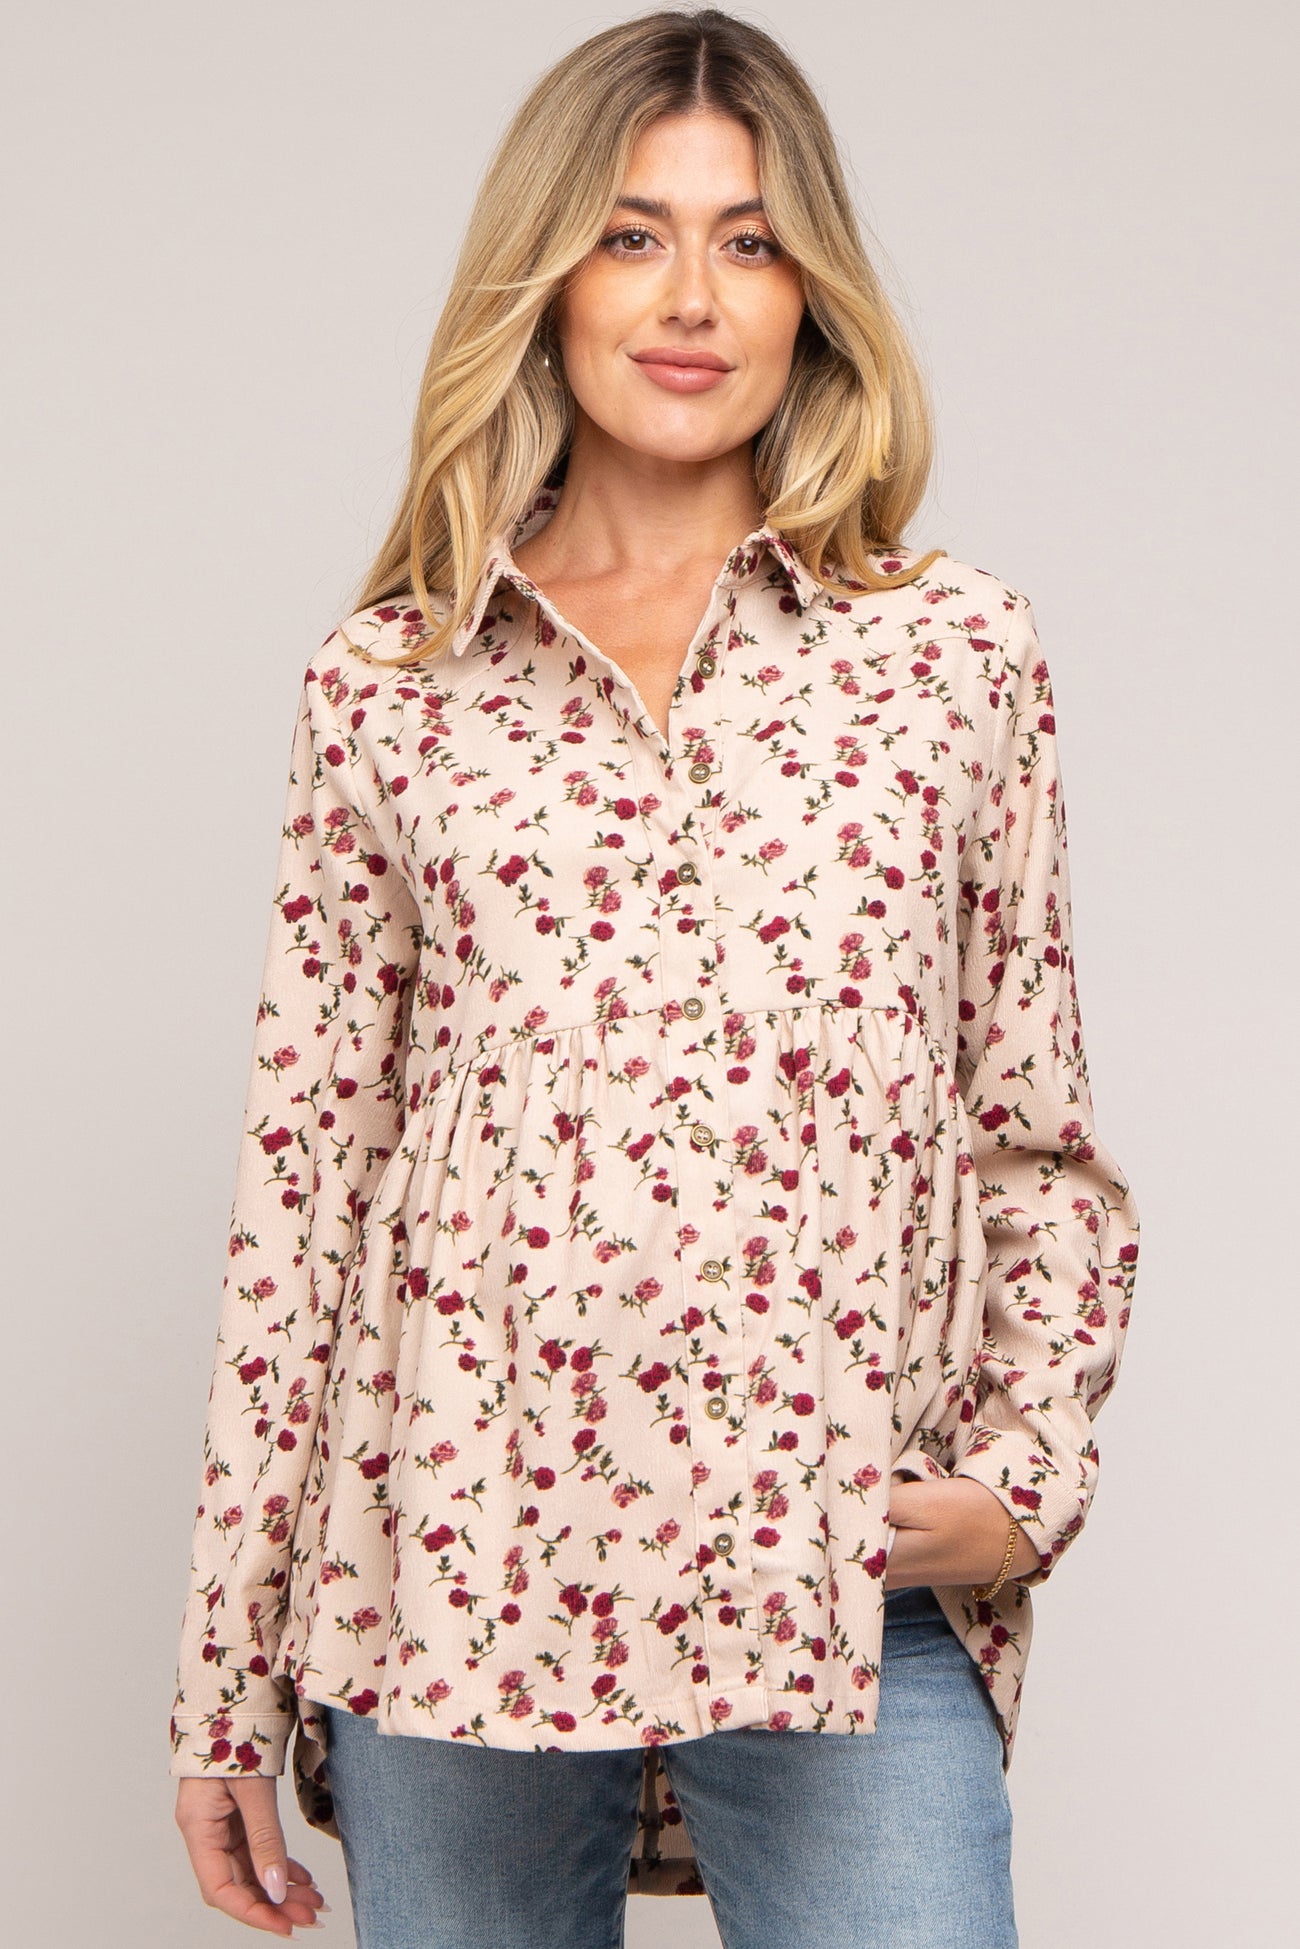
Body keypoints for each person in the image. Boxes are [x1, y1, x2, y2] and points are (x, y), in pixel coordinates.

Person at [169, 8, 1140, 1945]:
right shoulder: (396, 683)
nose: (691, 296)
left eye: (748, 241)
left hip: (835, 1574)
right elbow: (304, 1197)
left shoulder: (950, 656)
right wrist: (221, 1672)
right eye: (631, 235)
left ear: (812, 296)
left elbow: (1032, 1133)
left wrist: (1024, 1475)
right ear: (544, 279)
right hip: (452, 1582)